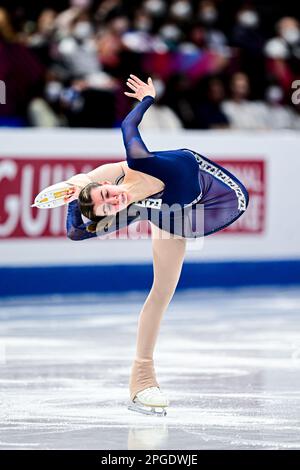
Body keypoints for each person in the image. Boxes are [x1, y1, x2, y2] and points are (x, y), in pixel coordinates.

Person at [64, 74, 249, 415]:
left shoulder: (133, 162)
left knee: (112, 181)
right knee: (161, 292)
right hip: (173, 213)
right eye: (109, 203)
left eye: (107, 195)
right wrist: (87, 206)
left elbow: (128, 126)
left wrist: (148, 97)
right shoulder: (124, 204)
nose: (112, 198)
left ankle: (85, 195)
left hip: (207, 189)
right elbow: (87, 222)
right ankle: (142, 377)